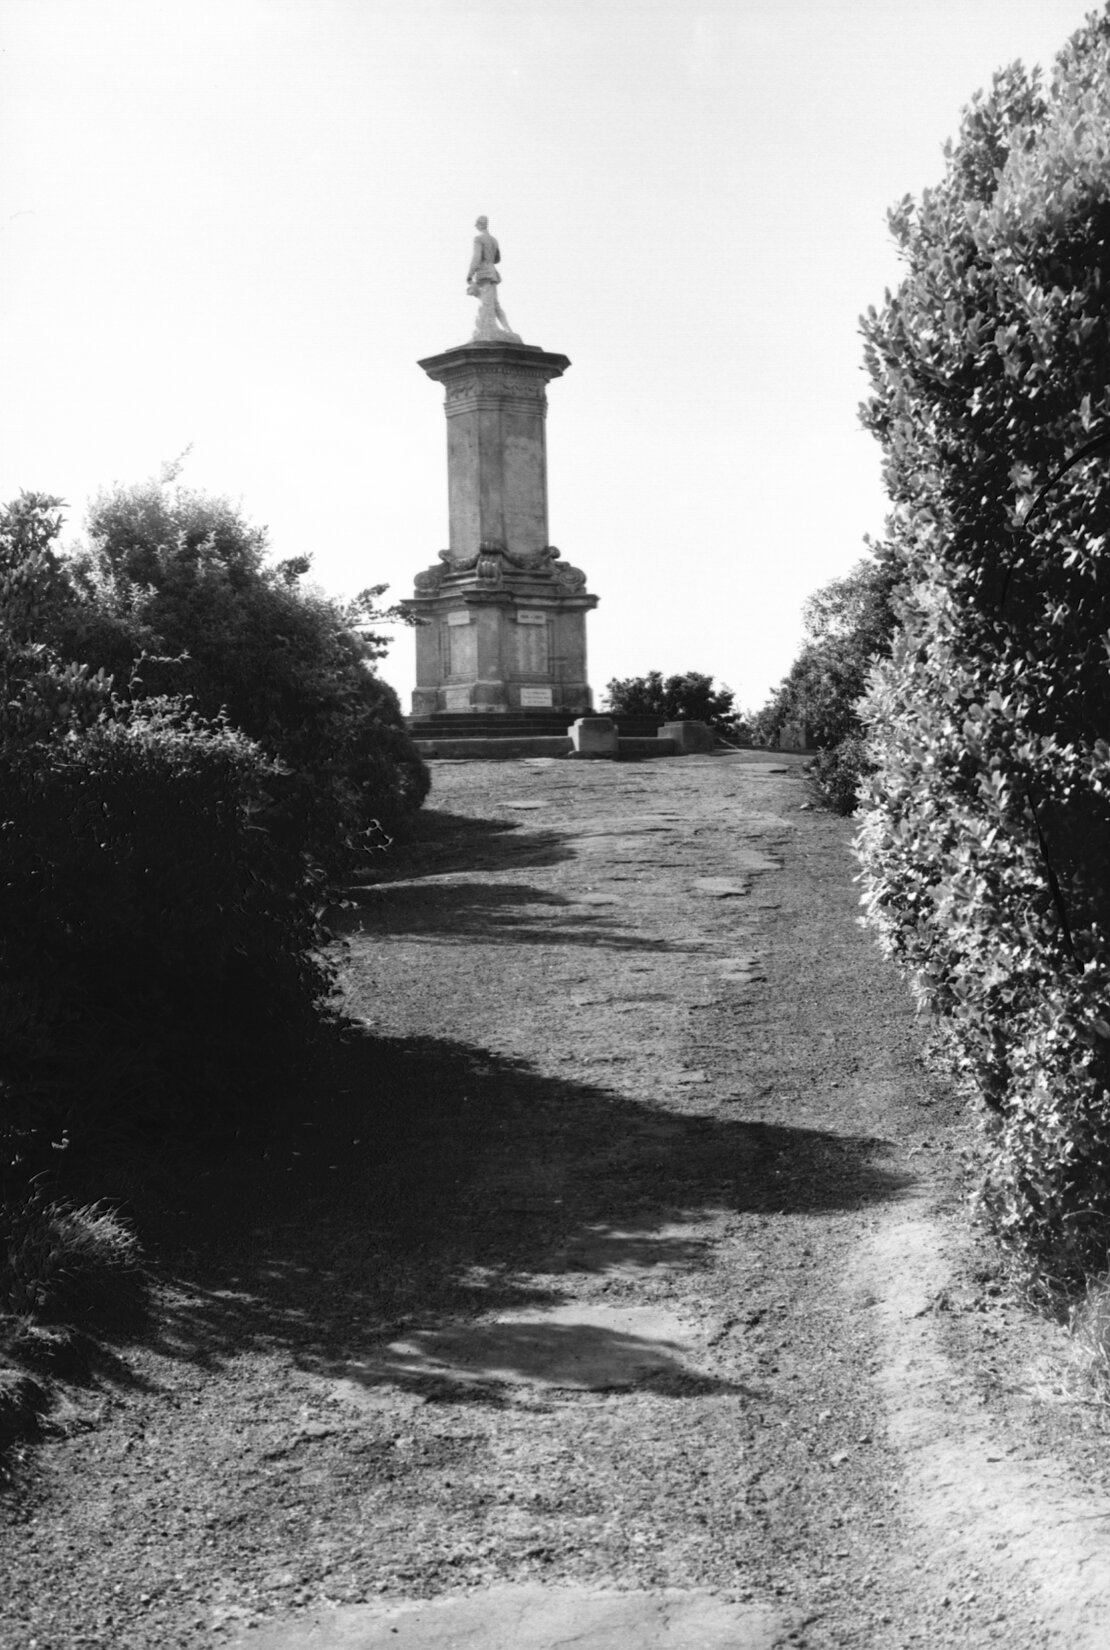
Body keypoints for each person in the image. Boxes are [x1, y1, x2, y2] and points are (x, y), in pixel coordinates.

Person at [466, 216, 520, 340]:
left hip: (484, 272)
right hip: (492, 272)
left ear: (479, 225)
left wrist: (470, 274)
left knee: (485, 302)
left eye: (476, 224)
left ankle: (486, 330)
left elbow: (476, 257)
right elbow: (497, 259)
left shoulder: (478, 238)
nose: (476, 226)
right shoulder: (494, 240)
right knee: (495, 303)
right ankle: (507, 329)